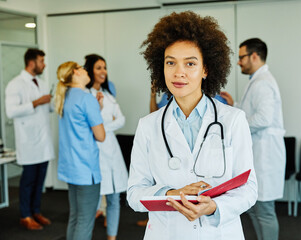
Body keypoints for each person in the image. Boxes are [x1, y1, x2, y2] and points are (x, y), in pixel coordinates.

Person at [127, 11, 257, 240]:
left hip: (218, 233)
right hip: (166, 233)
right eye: (170, 62)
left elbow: (249, 189)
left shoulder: (233, 120)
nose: (179, 72)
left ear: (206, 69)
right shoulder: (148, 126)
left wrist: (213, 207)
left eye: (190, 63)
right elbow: (134, 193)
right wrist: (171, 194)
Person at [221, 38, 286, 240]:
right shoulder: (258, 81)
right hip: (259, 153)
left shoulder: (263, 82)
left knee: (264, 211)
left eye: (241, 57)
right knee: (255, 208)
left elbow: (264, 118)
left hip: (265, 156)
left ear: (254, 56)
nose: (239, 62)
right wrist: (236, 105)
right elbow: (255, 113)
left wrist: (236, 124)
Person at [55, 61, 105, 240]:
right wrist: (96, 109)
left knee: (75, 217)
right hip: (86, 170)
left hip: (71, 169)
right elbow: (101, 136)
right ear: (75, 73)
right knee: (85, 220)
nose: (86, 70)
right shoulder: (86, 98)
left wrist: (96, 108)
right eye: (82, 68)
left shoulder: (65, 96)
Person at [5, 48, 55, 230]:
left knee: (40, 180)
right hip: (28, 142)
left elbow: (47, 108)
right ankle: (25, 215)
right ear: (31, 62)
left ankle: (36, 211)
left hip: (43, 141)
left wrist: (51, 102)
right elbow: (11, 111)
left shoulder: (41, 83)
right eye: (42, 61)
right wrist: (36, 102)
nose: (44, 64)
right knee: (28, 182)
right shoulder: (15, 84)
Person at [84, 54, 128, 240]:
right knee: (92, 201)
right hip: (94, 151)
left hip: (111, 148)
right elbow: (87, 125)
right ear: (89, 71)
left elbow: (122, 120)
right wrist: (102, 121)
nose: (103, 71)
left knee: (114, 198)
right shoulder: (85, 96)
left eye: (104, 67)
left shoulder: (109, 94)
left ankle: (112, 237)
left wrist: (102, 127)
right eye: (98, 68)